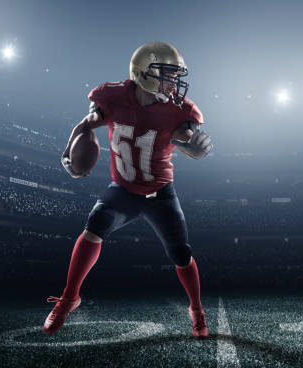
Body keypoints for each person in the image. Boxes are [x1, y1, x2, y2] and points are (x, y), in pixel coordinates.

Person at [43, 42, 213, 339]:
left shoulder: (177, 110)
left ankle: (196, 310)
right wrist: (70, 151)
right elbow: (87, 123)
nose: (173, 83)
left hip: (160, 194)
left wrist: (194, 148)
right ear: (144, 73)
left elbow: (184, 137)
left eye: (175, 76)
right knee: (92, 229)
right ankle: (69, 298)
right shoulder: (112, 95)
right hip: (122, 190)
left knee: (180, 254)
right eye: (167, 74)